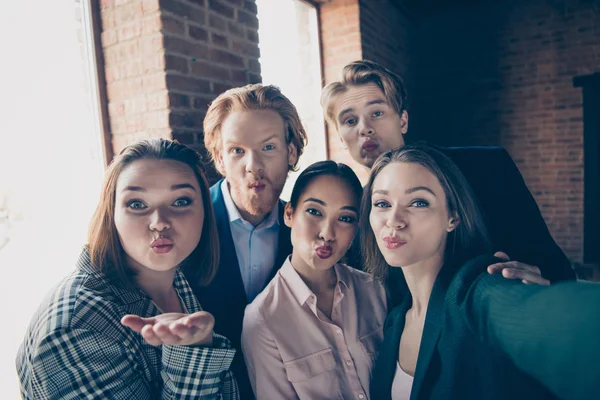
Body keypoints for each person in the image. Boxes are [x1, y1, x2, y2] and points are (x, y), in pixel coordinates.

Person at [362, 144, 600, 400]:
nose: (394, 219)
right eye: (382, 203)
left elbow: (553, 325)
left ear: (453, 217)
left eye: (418, 202)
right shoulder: (394, 319)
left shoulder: (476, 286)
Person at [16, 139, 238, 399]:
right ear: (111, 213)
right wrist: (193, 355)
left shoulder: (174, 276)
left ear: (204, 211)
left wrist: (198, 345)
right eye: (137, 204)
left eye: (180, 201)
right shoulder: (79, 326)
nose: (159, 223)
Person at [321, 60, 575, 285]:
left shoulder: (486, 167)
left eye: (377, 113)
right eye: (350, 121)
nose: (365, 128)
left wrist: (538, 278)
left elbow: (555, 267)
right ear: (341, 139)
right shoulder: (358, 211)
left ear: (403, 120)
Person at [198, 83, 308, 398]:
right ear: (219, 159)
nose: (253, 166)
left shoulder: (306, 229)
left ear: (291, 152)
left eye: (268, 147)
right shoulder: (189, 223)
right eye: (237, 151)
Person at [242, 161, 386, 399]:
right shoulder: (263, 320)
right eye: (314, 212)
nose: (327, 234)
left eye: (345, 218)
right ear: (289, 214)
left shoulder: (374, 290)